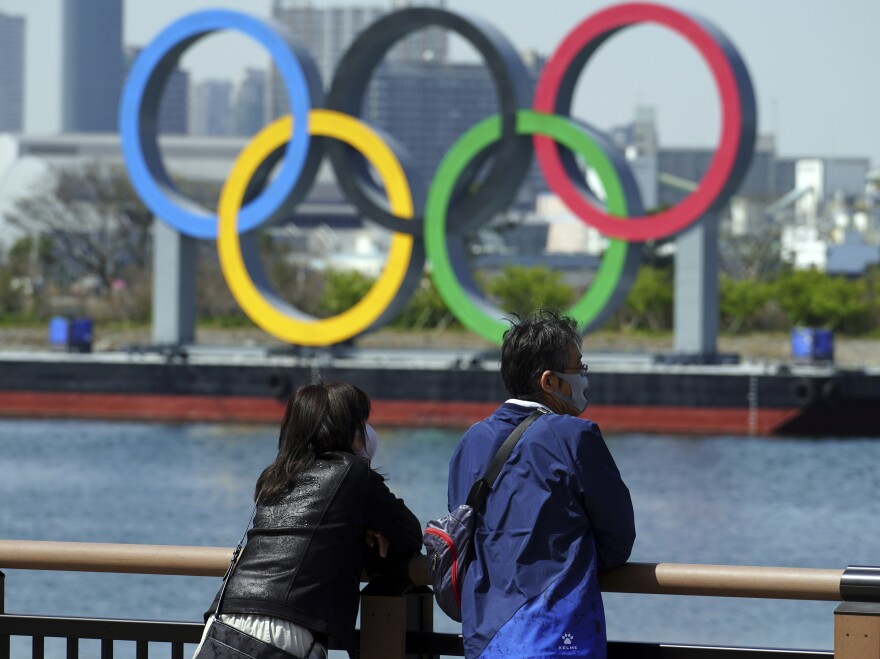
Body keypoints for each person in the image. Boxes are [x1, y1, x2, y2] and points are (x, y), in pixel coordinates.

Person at [447, 310, 636, 658]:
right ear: (549, 382)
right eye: (578, 368)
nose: (583, 376)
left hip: (485, 637)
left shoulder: (471, 441)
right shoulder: (575, 436)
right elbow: (619, 539)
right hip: (557, 635)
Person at [196, 381, 422, 659]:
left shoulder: (276, 476)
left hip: (225, 618)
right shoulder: (353, 473)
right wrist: (370, 531)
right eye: (360, 422)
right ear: (346, 429)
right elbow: (410, 534)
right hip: (284, 630)